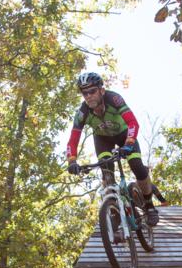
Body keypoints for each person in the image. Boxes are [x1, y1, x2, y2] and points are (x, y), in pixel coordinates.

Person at [66, 71, 159, 226]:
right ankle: (114, 209)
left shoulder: (113, 98)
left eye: (92, 91)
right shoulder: (82, 112)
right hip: (103, 139)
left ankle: (149, 206)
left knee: (136, 165)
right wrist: (72, 161)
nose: (88, 96)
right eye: (84, 93)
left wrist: (129, 144)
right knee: (107, 173)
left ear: (101, 90)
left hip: (124, 135)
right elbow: (73, 139)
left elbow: (133, 123)